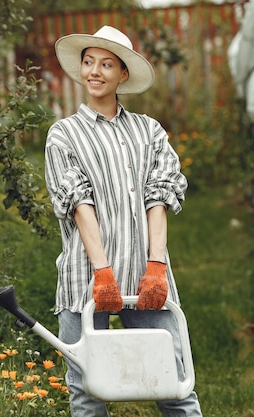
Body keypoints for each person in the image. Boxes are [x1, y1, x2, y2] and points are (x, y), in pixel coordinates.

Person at [44, 26, 203, 417]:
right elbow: (79, 203)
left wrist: (156, 265)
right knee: (86, 391)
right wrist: (102, 273)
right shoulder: (63, 135)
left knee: (174, 383)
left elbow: (159, 198)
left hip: (144, 275)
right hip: (87, 278)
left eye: (106, 64)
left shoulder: (148, 131)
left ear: (123, 74)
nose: (95, 71)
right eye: (88, 62)